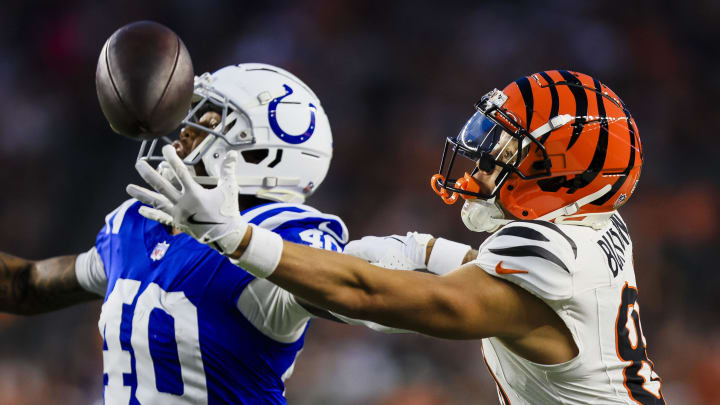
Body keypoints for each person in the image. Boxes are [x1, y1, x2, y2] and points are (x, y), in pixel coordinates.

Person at [133, 70, 665, 404]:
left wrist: (234, 236)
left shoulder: (553, 260)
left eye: (505, 152)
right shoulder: (588, 226)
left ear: (561, 176)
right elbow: (501, 280)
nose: (480, 162)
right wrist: (427, 253)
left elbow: (376, 296)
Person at [0, 63, 402, 404]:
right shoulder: (137, 224)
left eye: (208, 121)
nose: (184, 134)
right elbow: (27, 284)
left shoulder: (283, 234)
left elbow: (357, 292)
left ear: (263, 151)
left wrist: (239, 241)